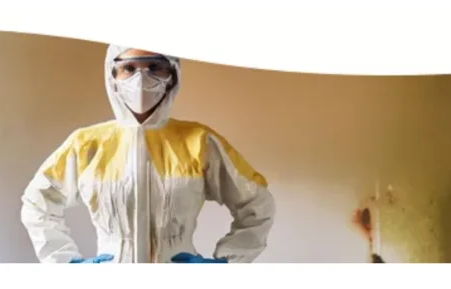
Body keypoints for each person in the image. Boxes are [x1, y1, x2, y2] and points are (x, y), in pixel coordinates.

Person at [20, 45, 276, 263]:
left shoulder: (199, 141)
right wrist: (64, 262)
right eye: (129, 69)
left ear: (172, 74)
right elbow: (36, 203)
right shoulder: (86, 144)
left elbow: (257, 205)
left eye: (154, 67)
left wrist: (226, 262)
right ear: (113, 75)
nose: (141, 78)